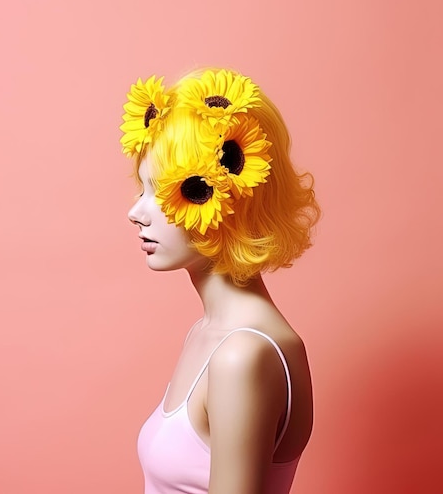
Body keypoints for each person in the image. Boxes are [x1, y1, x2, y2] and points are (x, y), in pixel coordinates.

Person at [119, 67, 320, 494]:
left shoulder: (244, 355)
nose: (137, 212)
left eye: (164, 191)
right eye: (141, 188)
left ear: (225, 199)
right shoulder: (210, 334)